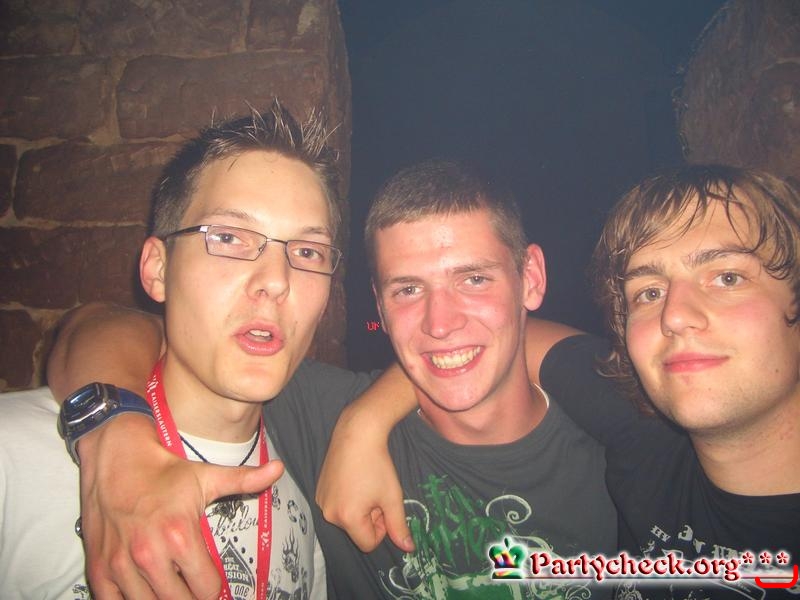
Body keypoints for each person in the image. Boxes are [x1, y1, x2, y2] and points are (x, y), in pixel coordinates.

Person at [48, 159, 617, 599]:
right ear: (379, 305)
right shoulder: (317, 413)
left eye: (473, 279)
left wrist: (364, 423)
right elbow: (109, 326)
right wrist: (117, 440)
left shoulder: (623, 449)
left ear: (530, 278)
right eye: (408, 289)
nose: (440, 323)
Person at [318, 165, 800, 599]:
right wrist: (362, 422)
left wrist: (363, 421)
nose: (675, 315)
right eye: (649, 292)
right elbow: (500, 342)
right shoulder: (641, 438)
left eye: (728, 278)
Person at [3, 100, 358, 599]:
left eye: (306, 251)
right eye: (229, 237)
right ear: (158, 269)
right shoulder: (13, 460)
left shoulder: (307, 498)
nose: (277, 280)